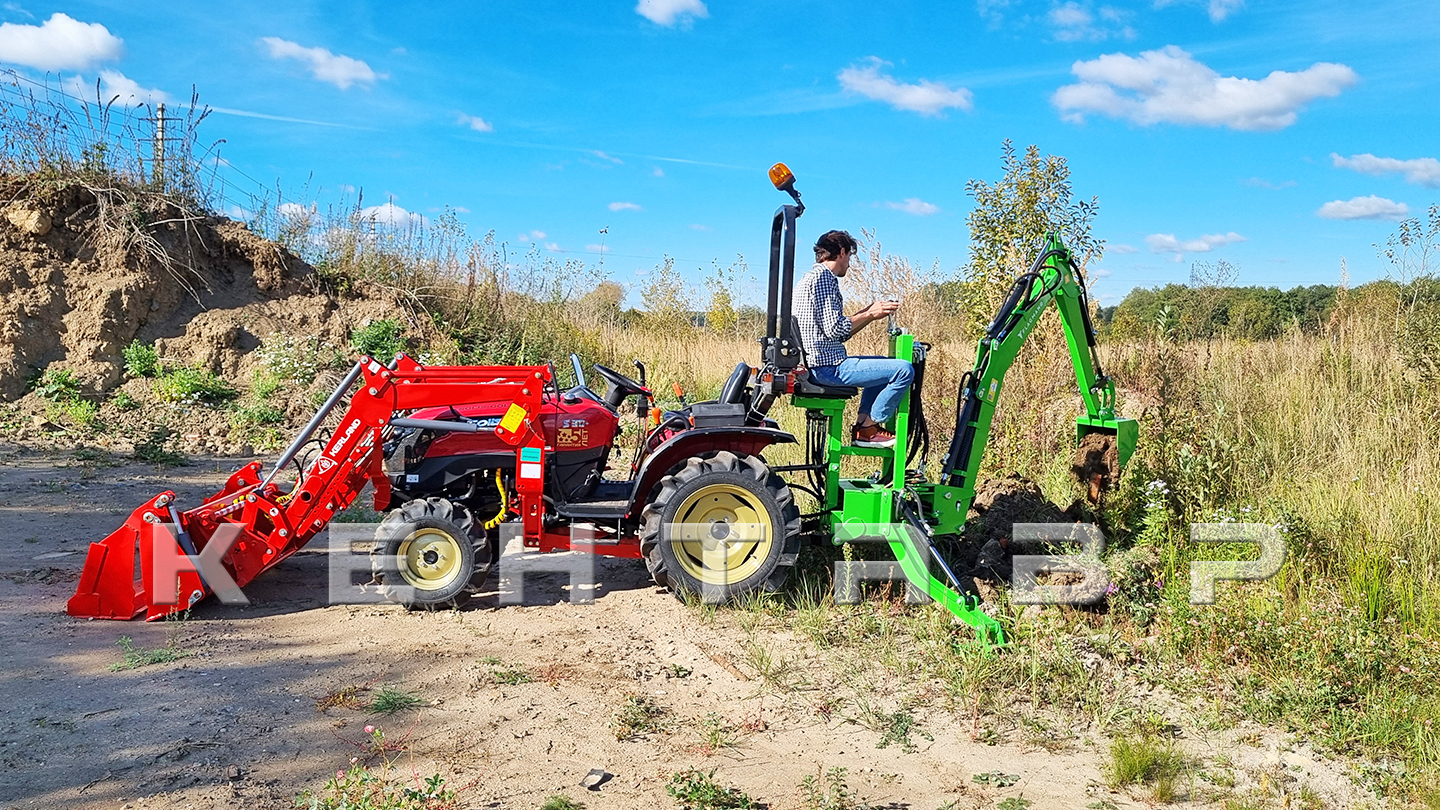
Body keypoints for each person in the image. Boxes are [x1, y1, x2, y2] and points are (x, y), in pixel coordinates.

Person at [794, 229, 912, 449]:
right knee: (904, 370)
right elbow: (836, 330)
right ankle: (869, 428)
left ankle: (862, 426)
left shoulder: (808, 278)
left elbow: (838, 332)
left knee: (883, 366)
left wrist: (869, 313)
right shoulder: (824, 279)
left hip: (819, 363)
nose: (849, 264)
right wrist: (869, 314)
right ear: (841, 252)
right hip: (827, 367)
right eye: (849, 257)